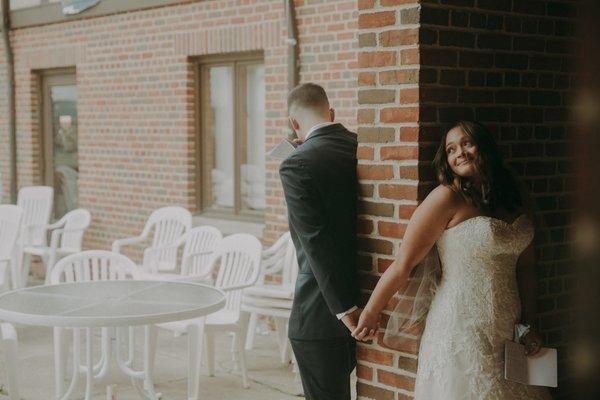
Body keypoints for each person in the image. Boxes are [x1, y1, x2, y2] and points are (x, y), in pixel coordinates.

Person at [352, 121, 551, 399]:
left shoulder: (515, 199)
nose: (460, 152)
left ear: (485, 147)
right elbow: (403, 264)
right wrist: (372, 311)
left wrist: (529, 325)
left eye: (467, 143)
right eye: (451, 149)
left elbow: (527, 269)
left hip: (510, 325)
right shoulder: (446, 198)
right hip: (461, 325)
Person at [279, 83, 360, 400]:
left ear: (294, 124)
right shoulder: (360, 147)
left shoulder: (296, 163)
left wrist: (344, 309)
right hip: (371, 296)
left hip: (320, 313)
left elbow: (315, 242)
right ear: (332, 113)